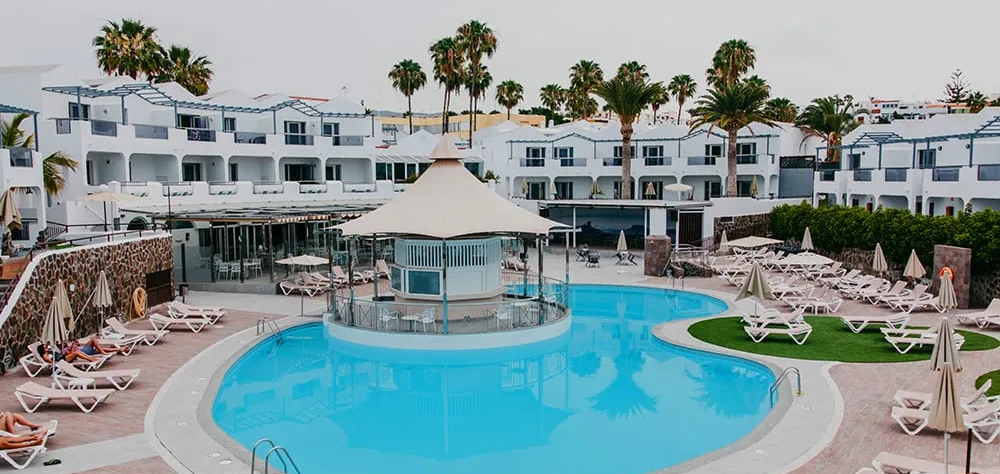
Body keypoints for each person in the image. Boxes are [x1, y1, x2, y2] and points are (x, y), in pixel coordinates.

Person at [33, 343, 98, 364]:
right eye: (45, 347)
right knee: (76, 353)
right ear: (42, 350)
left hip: (62, 357)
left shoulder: (48, 353)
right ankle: (90, 359)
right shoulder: (45, 356)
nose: (47, 348)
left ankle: (90, 358)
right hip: (61, 360)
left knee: (76, 352)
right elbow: (52, 362)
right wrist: (59, 364)